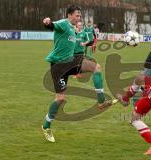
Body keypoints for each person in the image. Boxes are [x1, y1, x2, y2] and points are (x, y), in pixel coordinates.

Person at [42, 5, 111, 143]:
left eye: (80, 16)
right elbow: (52, 26)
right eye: (77, 15)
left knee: (96, 67)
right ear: (69, 15)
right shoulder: (63, 23)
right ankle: (46, 126)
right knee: (60, 99)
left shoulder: (74, 30)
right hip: (58, 66)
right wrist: (48, 23)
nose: (79, 18)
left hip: (72, 61)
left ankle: (101, 100)